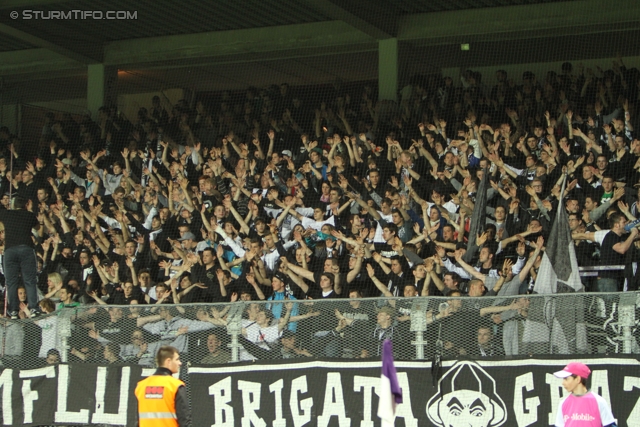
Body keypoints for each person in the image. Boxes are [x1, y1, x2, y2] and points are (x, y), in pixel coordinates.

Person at [0, 196, 41, 319]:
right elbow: (38, 228)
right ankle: (33, 308)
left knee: (11, 282)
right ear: (26, 204)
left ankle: (13, 311)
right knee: (29, 280)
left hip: (10, 250)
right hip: (26, 249)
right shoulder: (29, 215)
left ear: (13, 204)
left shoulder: (6, 213)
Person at [135, 346, 191, 427]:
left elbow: (137, 420)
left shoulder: (141, 386)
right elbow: (184, 420)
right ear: (168, 361)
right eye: (177, 359)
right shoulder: (175, 385)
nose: (180, 363)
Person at [554, 362, 617, 427]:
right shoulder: (563, 403)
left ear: (578, 379)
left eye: (566, 379)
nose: (563, 383)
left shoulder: (599, 401)